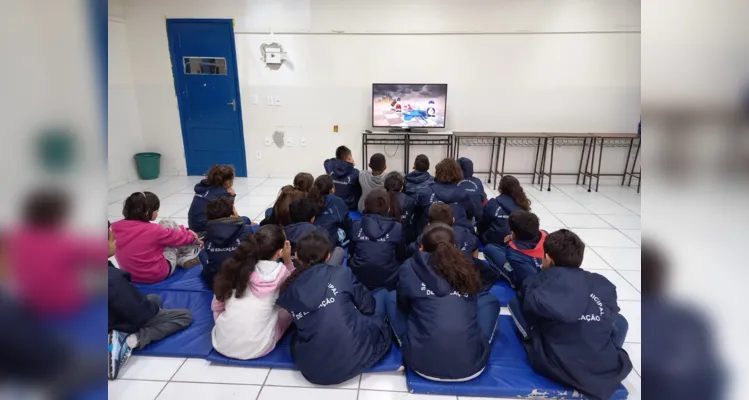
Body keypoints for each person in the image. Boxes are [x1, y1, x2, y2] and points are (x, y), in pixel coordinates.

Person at [509, 229, 632, 400]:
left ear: (548, 258)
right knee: (619, 321)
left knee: (516, 303)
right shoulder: (602, 283)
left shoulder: (536, 282)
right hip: (606, 368)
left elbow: (531, 309)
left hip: (557, 366)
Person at [386, 223, 500, 382]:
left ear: (421, 247)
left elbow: (403, 305)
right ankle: (472, 343)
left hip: (421, 364)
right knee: (489, 300)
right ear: (454, 246)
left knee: (391, 297)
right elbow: (475, 296)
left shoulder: (409, 267)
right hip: (471, 365)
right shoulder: (468, 265)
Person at [276, 231, 391, 385]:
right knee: (381, 300)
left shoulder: (289, 290)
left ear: (296, 255)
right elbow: (368, 306)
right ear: (328, 256)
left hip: (312, 368)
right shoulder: (341, 273)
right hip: (358, 356)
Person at [108, 222, 192, 379]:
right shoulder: (113, 278)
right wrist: (151, 307)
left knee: (154, 297)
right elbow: (139, 313)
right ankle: (132, 340)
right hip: (118, 321)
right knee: (184, 315)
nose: (116, 242)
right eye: (113, 239)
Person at [211, 225, 295, 360]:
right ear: (280, 252)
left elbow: (217, 305)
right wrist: (288, 261)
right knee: (288, 309)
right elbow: (294, 289)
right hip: (258, 348)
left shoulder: (235, 266)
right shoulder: (282, 273)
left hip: (222, 342)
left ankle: (233, 329)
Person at [111, 192, 203, 283]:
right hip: (157, 274)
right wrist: (191, 236)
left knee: (164, 238)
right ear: (148, 212)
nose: (157, 212)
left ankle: (181, 255)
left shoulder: (115, 228)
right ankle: (188, 254)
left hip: (131, 276)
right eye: (156, 210)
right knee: (166, 222)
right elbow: (176, 237)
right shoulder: (153, 230)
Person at [348, 189, 405, 290]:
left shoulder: (356, 225)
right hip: (387, 278)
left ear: (365, 207)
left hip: (359, 275)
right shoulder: (397, 227)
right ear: (388, 209)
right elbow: (401, 254)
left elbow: (351, 251)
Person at [415, 158, 481, 234]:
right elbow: (472, 213)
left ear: (437, 172)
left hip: (431, 234)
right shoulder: (465, 194)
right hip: (458, 234)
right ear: (458, 174)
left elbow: (417, 214)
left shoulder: (425, 192)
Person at [483, 211, 547, 289]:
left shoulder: (513, 254)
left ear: (513, 232)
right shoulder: (546, 235)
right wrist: (512, 237)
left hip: (525, 282)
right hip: (542, 275)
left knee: (490, 248)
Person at [201, 197, 254, 288]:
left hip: (216, 283)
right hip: (243, 280)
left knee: (202, 253)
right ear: (232, 215)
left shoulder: (208, 234)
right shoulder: (246, 229)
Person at [188, 164, 250, 234]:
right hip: (205, 231)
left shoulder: (203, 188)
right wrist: (231, 196)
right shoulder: (222, 194)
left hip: (193, 228)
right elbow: (232, 216)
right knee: (246, 222)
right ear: (227, 181)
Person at [284, 197, 345, 266]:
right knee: (339, 251)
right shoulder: (321, 233)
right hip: (316, 270)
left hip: (291, 267)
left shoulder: (282, 232)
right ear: (313, 218)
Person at [406, 202, 477, 260]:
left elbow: (410, 251)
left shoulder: (424, 237)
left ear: (429, 223)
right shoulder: (465, 232)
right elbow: (475, 246)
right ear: (453, 220)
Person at [478, 175, 531, 246]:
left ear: (500, 188)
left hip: (492, 242)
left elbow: (483, 223)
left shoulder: (493, 203)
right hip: (516, 242)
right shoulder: (523, 204)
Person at [309, 174, 353, 248]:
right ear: (332, 189)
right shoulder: (337, 201)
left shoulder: (309, 199)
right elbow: (347, 223)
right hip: (329, 243)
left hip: (311, 239)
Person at [324, 146, 361, 211]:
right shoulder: (355, 173)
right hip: (350, 207)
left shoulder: (330, 169)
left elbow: (328, 162)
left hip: (333, 204)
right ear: (349, 158)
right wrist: (350, 166)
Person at [384, 171, 417, 243]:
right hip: (405, 237)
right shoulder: (410, 200)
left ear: (386, 185)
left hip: (384, 236)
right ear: (402, 186)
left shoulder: (379, 199)